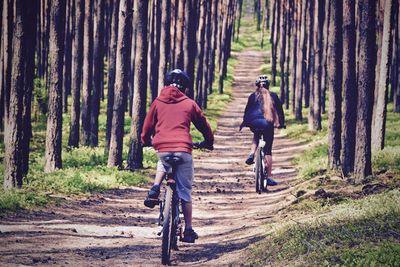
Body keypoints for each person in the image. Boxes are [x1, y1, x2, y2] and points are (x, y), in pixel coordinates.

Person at [141, 69, 214, 243]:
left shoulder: (158, 102)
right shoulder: (189, 103)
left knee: (163, 159)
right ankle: (188, 230)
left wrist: (145, 140)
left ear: (166, 84)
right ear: (185, 87)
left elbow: (147, 126)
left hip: (163, 148)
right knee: (185, 192)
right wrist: (208, 142)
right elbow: (203, 124)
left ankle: (156, 187)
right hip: (183, 149)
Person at [240, 75, 285, 186]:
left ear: (257, 86)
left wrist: (245, 122)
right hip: (267, 124)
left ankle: (251, 154)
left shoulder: (252, 96)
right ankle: (269, 177)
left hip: (253, 122)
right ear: (268, 86)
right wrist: (281, 124)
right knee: (268, 150)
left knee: (256, 134)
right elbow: (280, 112)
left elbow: (247, 111)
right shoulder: (273, 96)